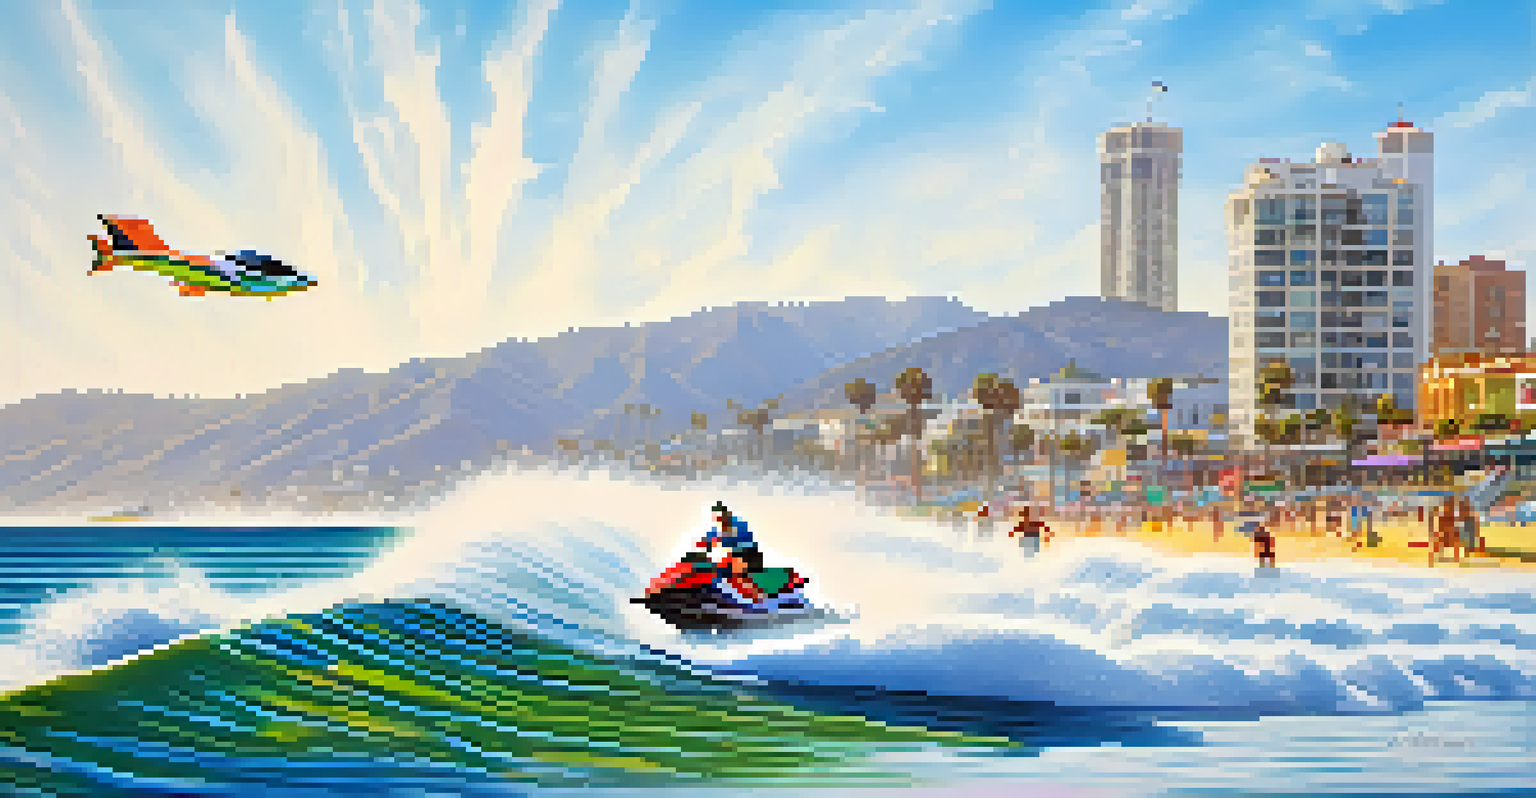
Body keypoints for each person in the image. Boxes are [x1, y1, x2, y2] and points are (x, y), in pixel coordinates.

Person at [698, 502, 764, 573]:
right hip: (733, 558)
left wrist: (720, 541)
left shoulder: (739, 525)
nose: (718, 520)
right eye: (716, 518)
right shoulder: (716, 530)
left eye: (720, 517)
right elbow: (706, 541)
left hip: (747, 555)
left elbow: (743, 542)